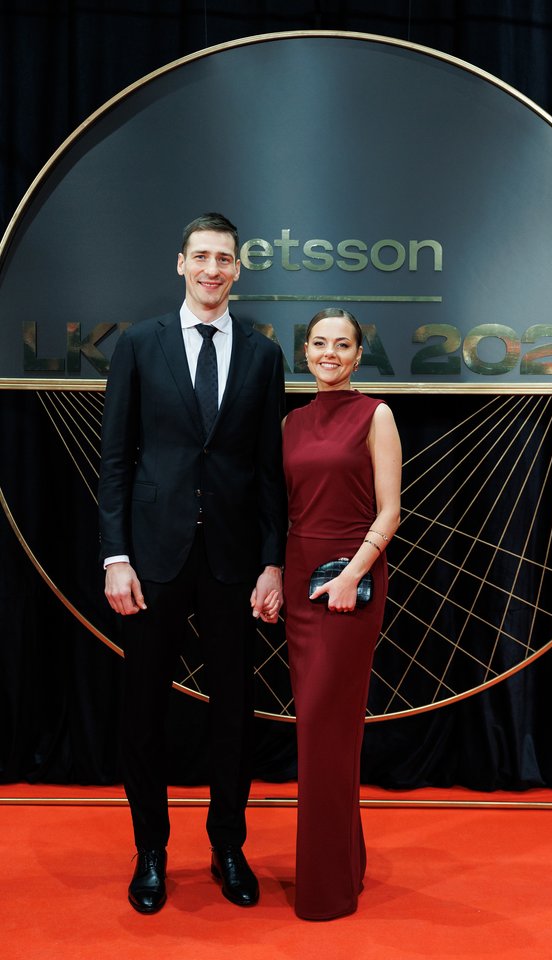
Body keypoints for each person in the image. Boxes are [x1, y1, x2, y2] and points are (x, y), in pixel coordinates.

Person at [98, 212, 287, 914]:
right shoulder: (138, 343)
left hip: (234, 560)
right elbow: (116, 459)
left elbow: (268, 470)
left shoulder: (264, 354)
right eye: (201, 256)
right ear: (180, 263)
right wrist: (116, 556)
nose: (212, 269)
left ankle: (227, 846)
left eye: (224, 258)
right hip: (152, 557)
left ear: (239, 269)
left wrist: (273, 563)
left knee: (234, 711)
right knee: (143, 709)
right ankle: (150, 850)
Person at [282, 308, 402, 920]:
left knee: (326, 732)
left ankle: (325, 888)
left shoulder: (376, 415)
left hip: (352, 582)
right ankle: (342, 865)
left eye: (343, 344)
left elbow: (390, 511)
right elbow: (287, 509)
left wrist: (353, 574)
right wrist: (273, 576)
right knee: (318, 732)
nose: (330, 353)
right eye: (319, 343)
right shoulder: (291, 423)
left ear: (358, 355)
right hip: (299, 579)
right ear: (305, 352)